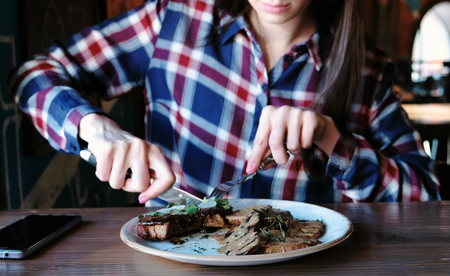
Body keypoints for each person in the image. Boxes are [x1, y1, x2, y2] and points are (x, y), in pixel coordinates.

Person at [9, 0, 441, 206]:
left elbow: (430, 196)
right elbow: (32, 76)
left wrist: (333, 140)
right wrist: (93, 128)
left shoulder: (366, 68)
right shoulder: (176, 21)